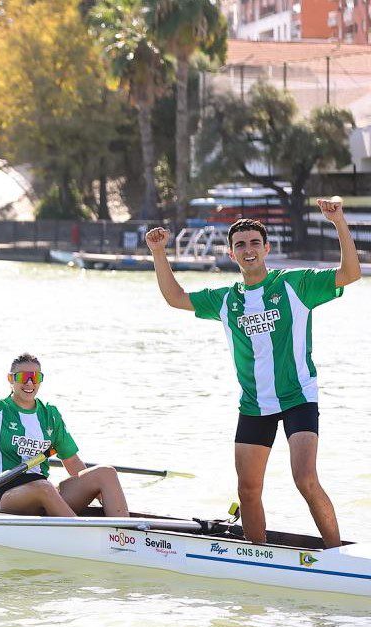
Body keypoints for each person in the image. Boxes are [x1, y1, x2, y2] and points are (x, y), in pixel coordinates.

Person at [145, 200, 359, 548]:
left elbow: (350, 274)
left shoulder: (295, 284)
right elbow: (176, 297)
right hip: (254, 404)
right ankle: (256, 556)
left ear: (266, 248)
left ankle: (338, 553)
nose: (248, 250)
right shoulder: (226, 299)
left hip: (298, 397)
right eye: (240, 244)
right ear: (231, 252)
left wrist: (339, 223)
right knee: (247, 489)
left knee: (305, 478)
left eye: (254, 243)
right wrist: (158, 252)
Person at [0, 340, 128, 517]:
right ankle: (85, 539)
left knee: (106, 473)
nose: (29, 383)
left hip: (45, 490)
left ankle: (124, 536)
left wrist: (99, 492)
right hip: (5, 494)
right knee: (43, 487)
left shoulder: (50, 414)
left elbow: (72, 462)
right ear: (11, 379)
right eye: (23, 377)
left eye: (35, 377)